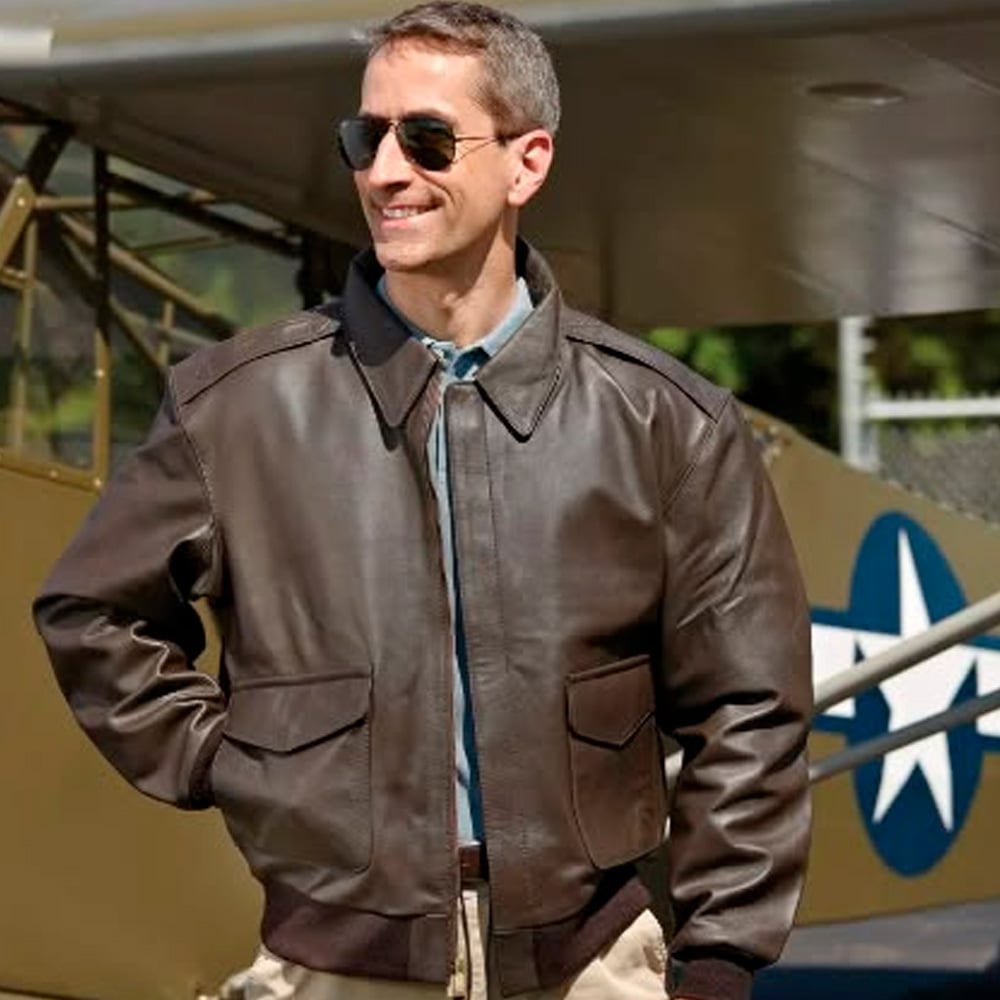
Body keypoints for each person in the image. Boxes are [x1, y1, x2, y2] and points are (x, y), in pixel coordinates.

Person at [33, 3, 812, 999]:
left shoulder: (670, 420)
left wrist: (719, 960)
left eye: (428, 138)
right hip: (331, 966)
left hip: (591, 963)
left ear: (527, 163)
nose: (385, 171)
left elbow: (751, 704)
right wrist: (231, 763)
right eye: (366, 138)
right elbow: (90, 612)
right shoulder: (231, 407)